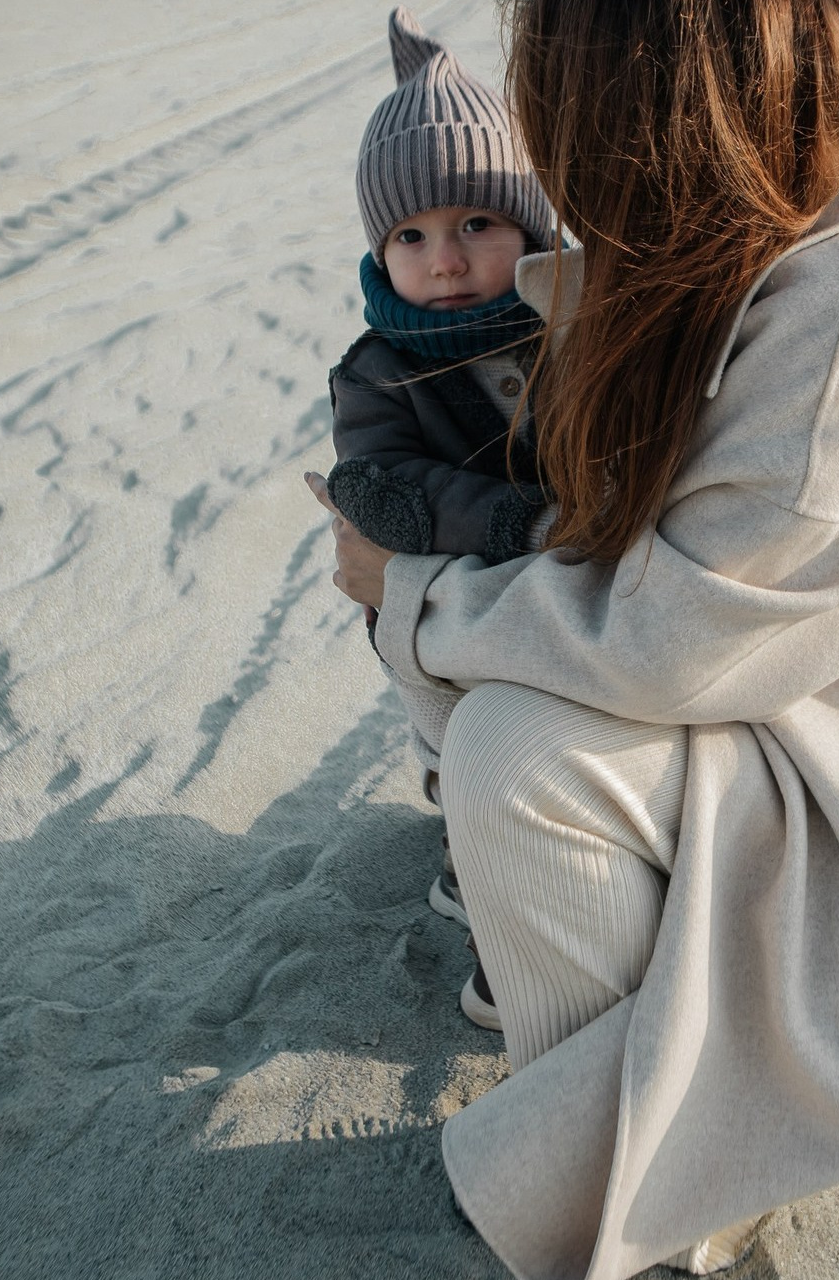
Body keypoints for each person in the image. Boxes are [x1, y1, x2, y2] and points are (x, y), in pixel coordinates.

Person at [307, 0, 839, 1276]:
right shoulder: (735, 218)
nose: (551, 134)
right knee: (500, 739)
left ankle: (644, 1183)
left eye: (566, 102)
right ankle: (591, 1053)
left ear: (648, 109)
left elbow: (662, 644)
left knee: (515, 757)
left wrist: (411, 592)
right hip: (772, 678)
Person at [326, 6, 556, 964]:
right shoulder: (378, 368)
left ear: (531, 224)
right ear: (381, 254)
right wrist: (513, 520)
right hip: (426, 606)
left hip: (555, 587)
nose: (447, 260)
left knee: (552, 719)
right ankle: (470, 851)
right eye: (411, 236)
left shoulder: (572, 330)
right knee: (453, 729)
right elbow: (377, 481)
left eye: (476, 222)